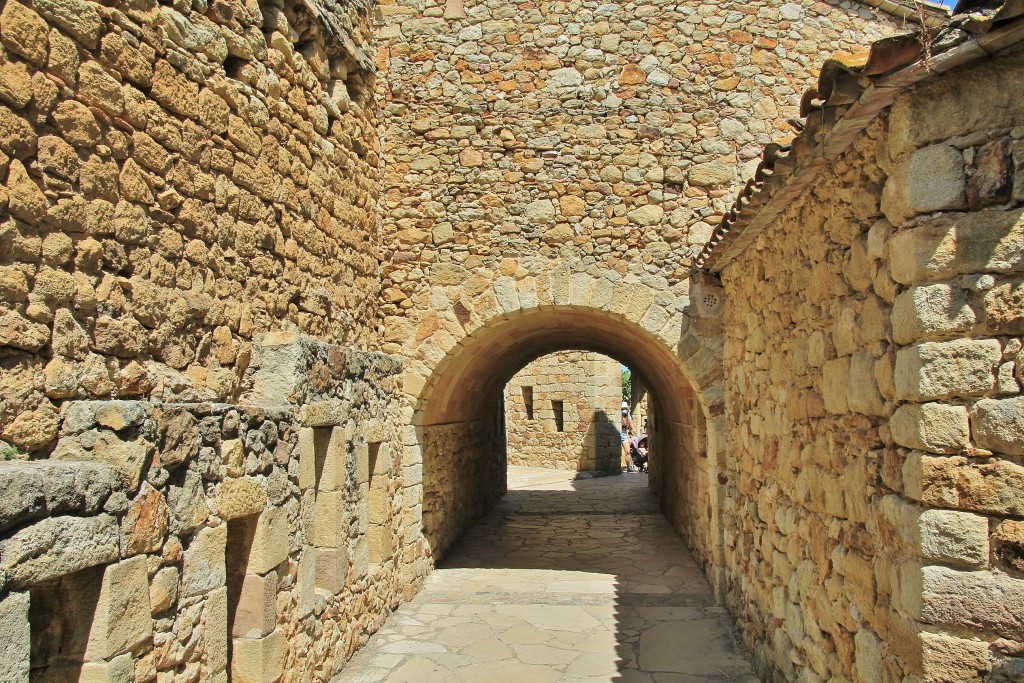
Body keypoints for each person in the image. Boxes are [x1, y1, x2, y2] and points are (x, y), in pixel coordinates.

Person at [620, 401, 635, 472]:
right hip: (617, 433)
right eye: (623, 408)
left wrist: (632, 429)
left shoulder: (627, 414)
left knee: (628, 451)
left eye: (625, 408)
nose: (624, 410)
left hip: (623, 434)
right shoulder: (618, 414)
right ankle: (619, 466)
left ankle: (628, 468)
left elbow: (630, 422)